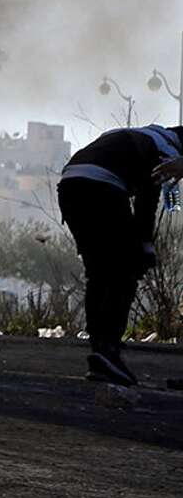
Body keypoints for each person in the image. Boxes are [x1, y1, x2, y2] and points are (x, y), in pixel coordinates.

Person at [56, 123, 183, 386]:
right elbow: (148, 197)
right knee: (125, 272)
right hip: (102, 188)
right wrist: (145, 244)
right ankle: (109, 352)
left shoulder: (127, 134)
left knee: (98, 273)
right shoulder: (165, 149)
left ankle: (100, 354)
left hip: (70, 186)